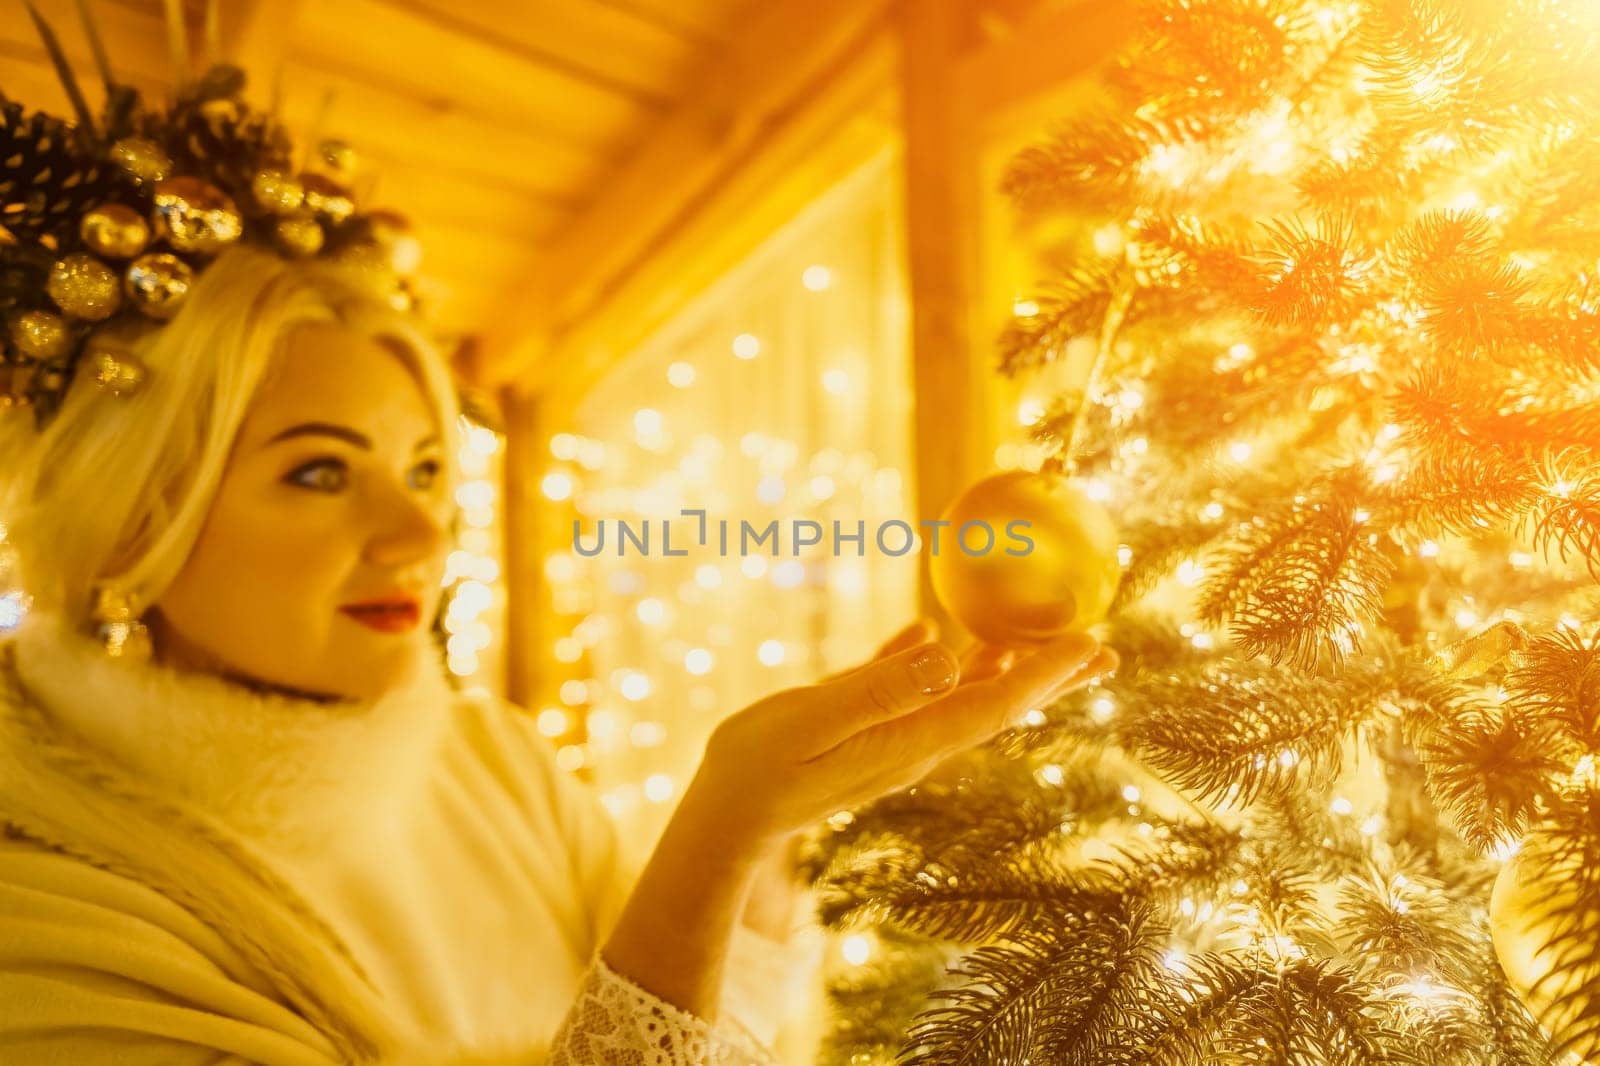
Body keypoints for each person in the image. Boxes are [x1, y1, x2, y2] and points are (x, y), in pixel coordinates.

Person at [0, 69, 1117, 1065]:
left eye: (428, 468)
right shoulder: (42, 895)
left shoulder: (491, 760)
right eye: (320, 474)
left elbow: (707, 1015)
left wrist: (768, 836)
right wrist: (715, 829)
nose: (426, 534)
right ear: (136, 524)